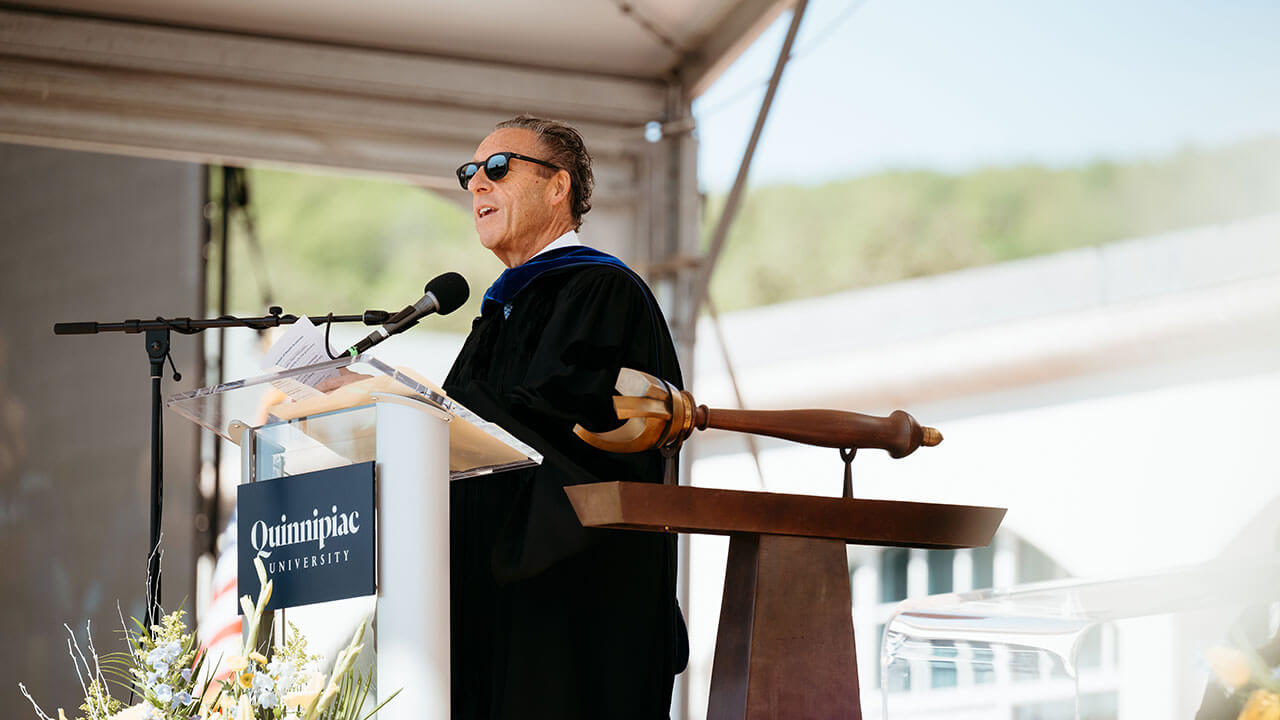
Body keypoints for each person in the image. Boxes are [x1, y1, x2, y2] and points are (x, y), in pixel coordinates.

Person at [442, 115, 688, 719]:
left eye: (498, 168)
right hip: (490, 597)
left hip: (573, 605)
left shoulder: (601, 291)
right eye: (469, 173)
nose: (478, 184)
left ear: (558, 188)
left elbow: (569, 433)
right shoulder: (503, 306)